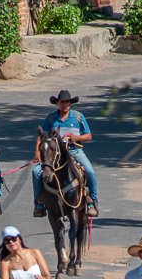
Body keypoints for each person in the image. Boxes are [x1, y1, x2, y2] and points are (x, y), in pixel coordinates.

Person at [31, 89, 98, 218]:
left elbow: (89, 136)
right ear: (57, 103)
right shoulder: (51, 118)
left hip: (74, 150)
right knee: (36, 172)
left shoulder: (78, 117)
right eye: (61, 102)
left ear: (70, 104)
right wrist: (37, 153)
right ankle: (39, 203)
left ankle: (92, 201)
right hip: (54, 153)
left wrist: (76, 138)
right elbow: (41, 136)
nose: (64, 105)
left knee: (90, 172)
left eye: (66, 102)